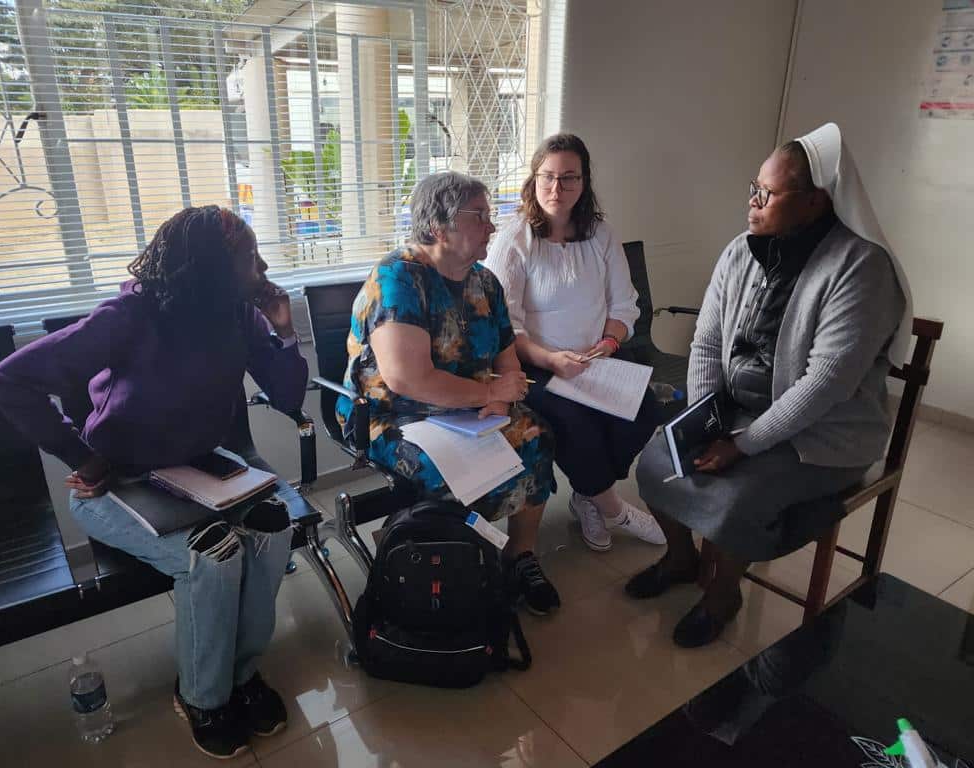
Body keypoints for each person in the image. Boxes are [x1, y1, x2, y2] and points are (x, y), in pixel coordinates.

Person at [0, 206, 309, 759]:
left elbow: (287, 396)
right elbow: (7, 380)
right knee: (214, 555)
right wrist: (80, 456)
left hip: (200, 469)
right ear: (208, 269)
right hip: (117, 483)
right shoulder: (130, 315)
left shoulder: (236, 314)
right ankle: (204, 697)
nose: (262, 266)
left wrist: (283, 330)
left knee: (273, 528)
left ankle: (242, 674)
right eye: (248, 258)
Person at [629, 123, 911, 648]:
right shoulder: (742, 250)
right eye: (752, 188)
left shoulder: (861, 269)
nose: (753, 202)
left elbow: (825, 384)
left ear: (813, 203)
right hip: (736, 412)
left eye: (767, 193)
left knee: (738, 499)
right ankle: (682, 557)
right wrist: (706, 417)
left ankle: (723, 594)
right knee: (655, 459)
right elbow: (707, 341)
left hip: (823, 434)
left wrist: (743, 444)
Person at [338, 171, 559, 615]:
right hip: (391, 416)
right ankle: (424, 556)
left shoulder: (484, 282)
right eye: (479, 216)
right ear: (439, 227)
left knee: (535, 435)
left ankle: (519, 555)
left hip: (467, 409)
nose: (492, 227)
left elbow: (506, 359)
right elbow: (407, 380)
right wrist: (488, 394)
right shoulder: (397, 280)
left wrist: (500, 396)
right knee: (442, 471)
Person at [485, 133, 664, 553]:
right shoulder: (515, 240)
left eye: (569, 178)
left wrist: (607, 344)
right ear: (533, 180)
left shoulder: (601, 235)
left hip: (595, 360)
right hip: (532, 367)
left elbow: (625, 306)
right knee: (575, 424)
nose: (556, 188)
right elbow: (501, 327)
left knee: (645, 412)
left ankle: (587, 494)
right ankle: (612, 507)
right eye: (547, 177)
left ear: (584, 183)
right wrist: (550, 359)